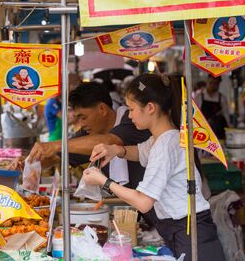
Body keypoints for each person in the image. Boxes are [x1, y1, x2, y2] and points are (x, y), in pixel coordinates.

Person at [83, 74, 224, 261]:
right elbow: (141, 152)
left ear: (150, 108)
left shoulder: (167, 143)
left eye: (132, 110)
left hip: (192, 235)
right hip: (182, 231)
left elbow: (143, 201)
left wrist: (103, 180)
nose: (129, 115)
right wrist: (115, 150)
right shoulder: (162, 139)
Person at [25, 81, 150, 189]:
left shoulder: (131, 120)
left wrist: (57, 145)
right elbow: (56, 157)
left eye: (84, 117)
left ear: (102, 109)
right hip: (120, 204)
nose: (81, 124)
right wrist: (27, 164)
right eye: (78, 118)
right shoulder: (89, 132)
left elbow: (109, 141)